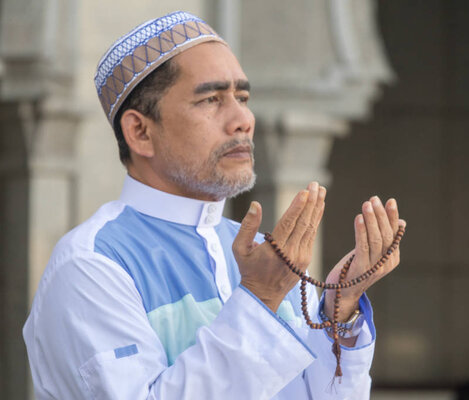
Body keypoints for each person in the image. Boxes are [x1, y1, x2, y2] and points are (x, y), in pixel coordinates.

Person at [23, 11, 406, 399]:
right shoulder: (92, 265)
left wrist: (339, 309)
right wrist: (259, 300)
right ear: (140, 132)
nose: (242, 120)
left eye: (242, 97)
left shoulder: (263, 259)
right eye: (210, 99)